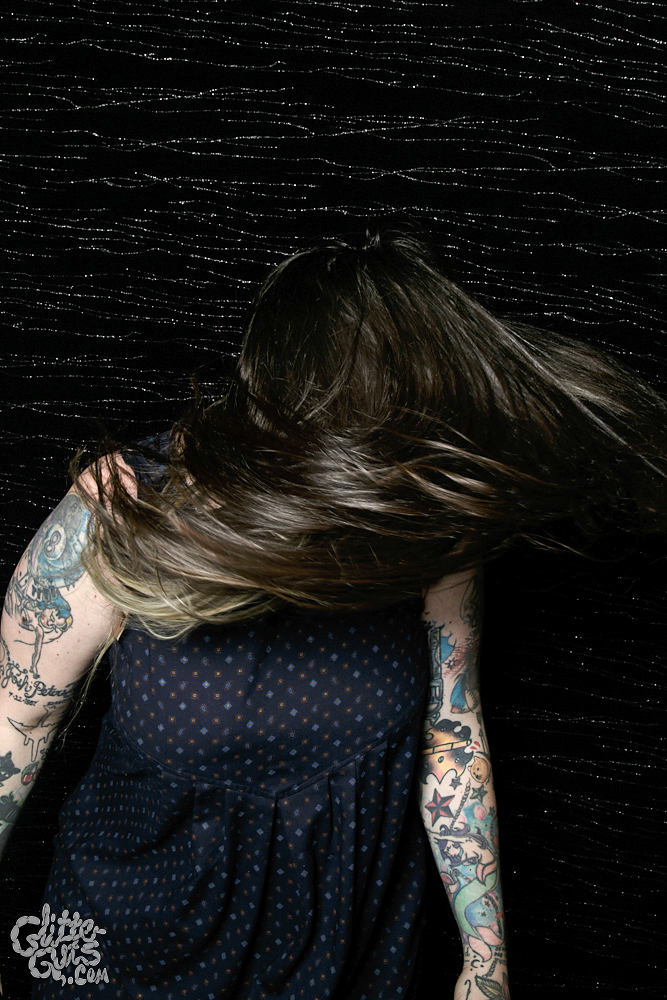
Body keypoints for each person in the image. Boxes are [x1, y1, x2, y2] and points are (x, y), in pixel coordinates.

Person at [1, 218, 665, 1000]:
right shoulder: (123, 506)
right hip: (129, 951)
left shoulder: (429, 523)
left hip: (349, 956)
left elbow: (451, 731)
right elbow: (17, 723)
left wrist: (485, 964)